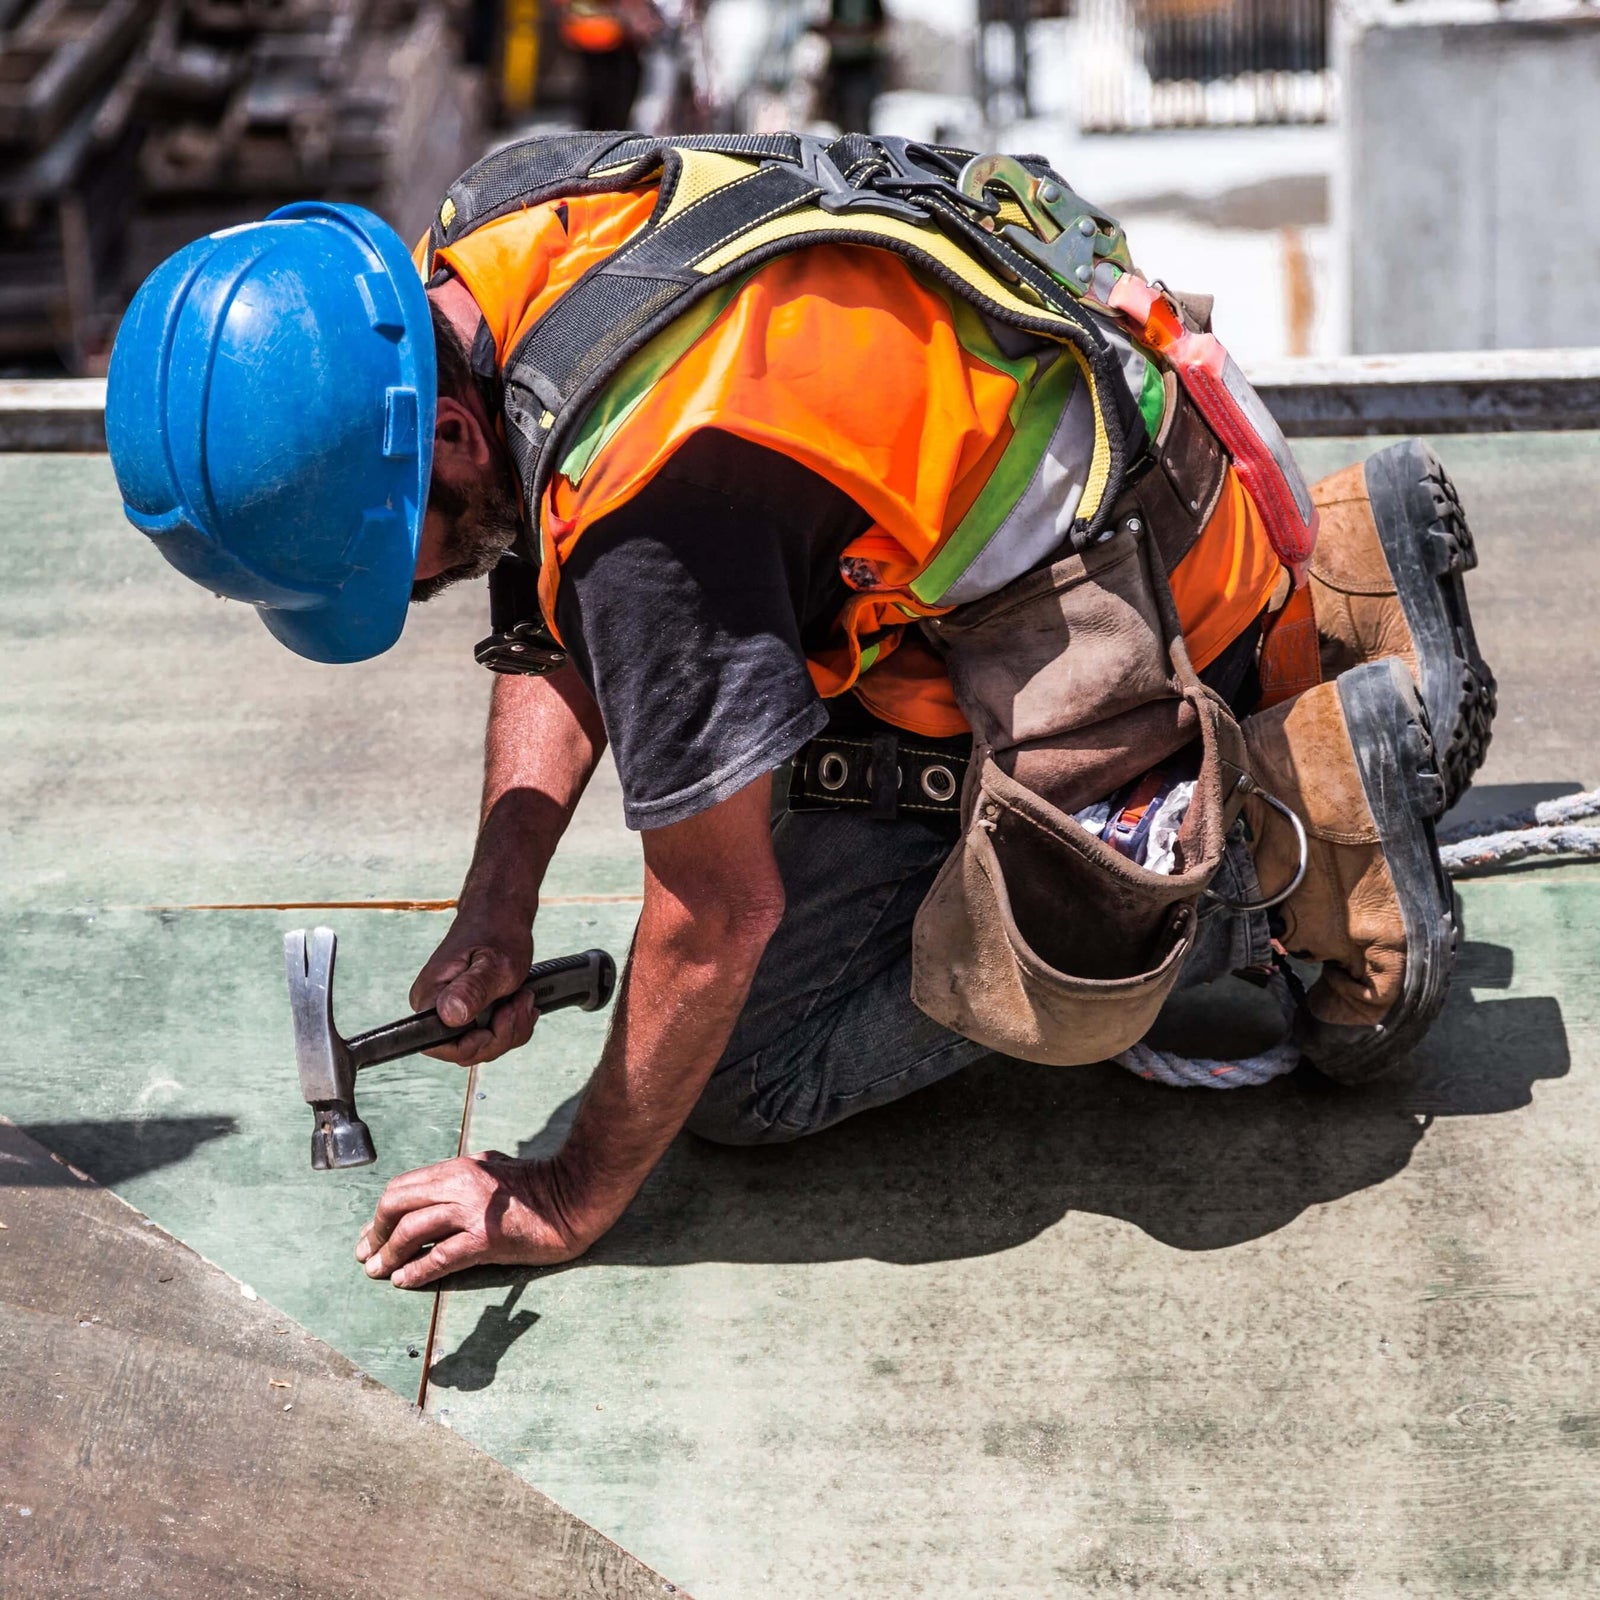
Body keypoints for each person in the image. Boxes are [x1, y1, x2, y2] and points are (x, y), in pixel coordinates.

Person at [104, 133, 1492, 1289]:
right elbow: (550, 599)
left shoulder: (658, 510)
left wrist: (567, 1192)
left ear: (451, 437)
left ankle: (1281, 831)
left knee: (751, 1073)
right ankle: (1345, 581)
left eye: (385, 563)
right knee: (736, 761)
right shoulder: (502, 235)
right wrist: (498, 901)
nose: (404, 598)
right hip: (1146, 484)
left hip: (1121, 628)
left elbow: (717, 915)